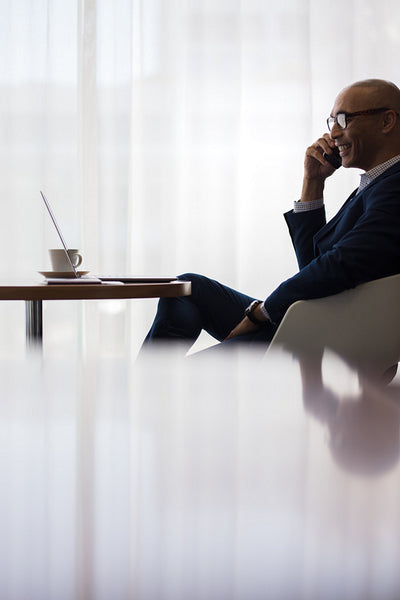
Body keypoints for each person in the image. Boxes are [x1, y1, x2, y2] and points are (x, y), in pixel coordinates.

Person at [143, 79, 400, 354]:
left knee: (171, 378)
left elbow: (338, 266)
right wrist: (312, 182)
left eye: (343, 119)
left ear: (386, 121)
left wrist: (262, 311)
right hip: (314, 323)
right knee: (186, 289)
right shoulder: (375, 184)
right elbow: (314, 265)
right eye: (332, 121)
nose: (334, 132)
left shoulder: (394, 187)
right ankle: (147, 388)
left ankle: (147, 391)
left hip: (330, 340)